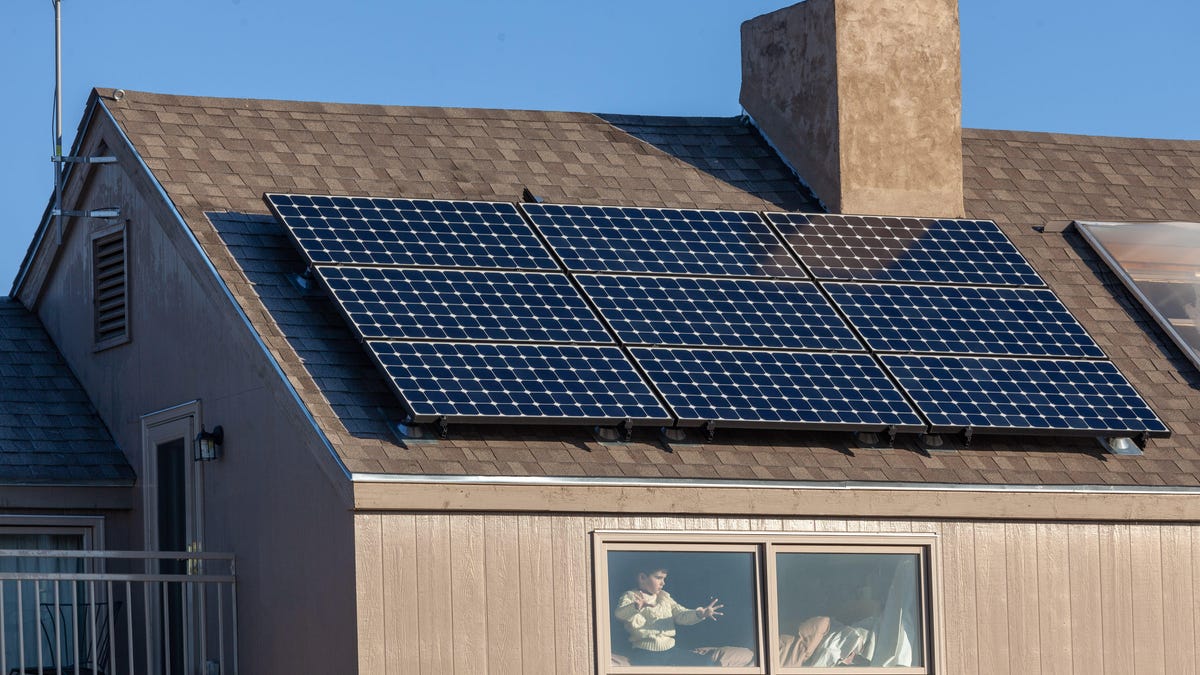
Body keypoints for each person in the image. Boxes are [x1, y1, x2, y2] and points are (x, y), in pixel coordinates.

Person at [613, 565, 724, 667]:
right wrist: (636, 607)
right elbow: (620, 614)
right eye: (658, 578)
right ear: (642, 578)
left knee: (706, 663)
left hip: (670, 650)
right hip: (645, 652)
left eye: (664, 578)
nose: (663, 583)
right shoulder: (631, 596)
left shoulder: (664, 597)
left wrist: (700, 613)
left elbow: (681, 614)